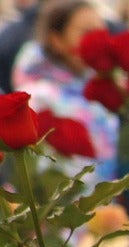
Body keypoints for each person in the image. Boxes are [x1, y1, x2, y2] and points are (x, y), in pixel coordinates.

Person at [14, 0, 116, 171]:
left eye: (102, 32)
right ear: (57, 40)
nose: (98, 41)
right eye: (87, 33)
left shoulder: (103, 85)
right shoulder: (37, 98)